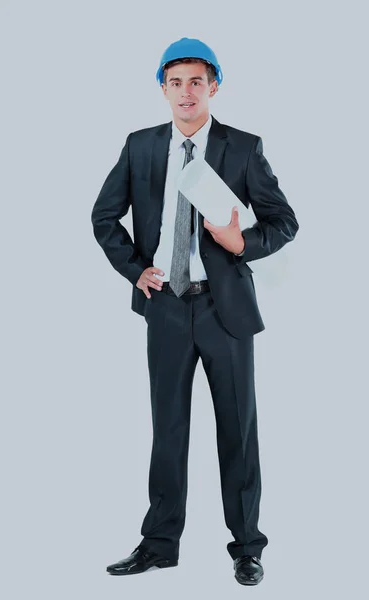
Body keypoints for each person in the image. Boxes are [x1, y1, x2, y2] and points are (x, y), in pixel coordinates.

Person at [91, 37, 299, 586]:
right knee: (168, 429)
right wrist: (136, 269)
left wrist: (239, 243)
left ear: (214, 87)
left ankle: (247, 547)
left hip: (223, 309)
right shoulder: (140, 146)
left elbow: (284, 223)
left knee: (238, 429)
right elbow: (104, 217)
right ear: (163, 88)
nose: (186, 92)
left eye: (197, 82)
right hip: (164, 307)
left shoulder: (242, 147)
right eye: (176, 82)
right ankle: (160, 543)